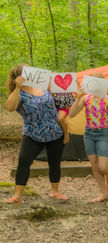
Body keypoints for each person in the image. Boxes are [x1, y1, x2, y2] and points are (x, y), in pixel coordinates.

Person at [4, 64, 66, 204]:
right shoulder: (18, 93)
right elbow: (9, 107)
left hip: (54, 132)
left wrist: (60, 83)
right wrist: (18, 87)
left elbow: (63, 98)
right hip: (33, 134)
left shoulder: (43, 87)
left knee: (55, 162)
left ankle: (55, 192)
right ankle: (17, 196)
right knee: (24, 162)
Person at [69, 73, 108, 202]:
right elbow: (71, 114)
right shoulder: (85, 99)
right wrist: (77, 99)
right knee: (94, 166)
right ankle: (104, 194)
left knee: (103, 166)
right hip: (88, 134)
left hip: (102, 133)